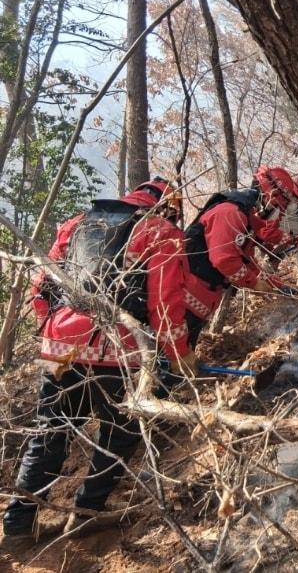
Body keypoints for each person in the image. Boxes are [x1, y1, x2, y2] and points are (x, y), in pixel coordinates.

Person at [2, 178, 195, 550]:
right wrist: (178, 353)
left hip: (59, 349)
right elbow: (165, 302)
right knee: (120, 433)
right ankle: (86, 514)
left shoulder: (77, 223)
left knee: (49, 435)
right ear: (167, 206)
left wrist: (52, 331)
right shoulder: (160, 231)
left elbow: (41, 285)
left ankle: (17, 525)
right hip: (119, 352)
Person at [181, 166, 298, 338]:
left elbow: (248, 264)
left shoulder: (247, 221)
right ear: (271, 195)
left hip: (201, 302)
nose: (278, 214)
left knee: (181, 354)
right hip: (183, 299)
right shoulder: (230, 213)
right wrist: (253, 283)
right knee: (168, 358)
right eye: (278, 206)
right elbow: (224, 259)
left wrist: (280, 286)